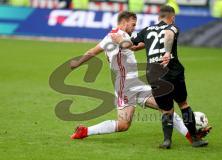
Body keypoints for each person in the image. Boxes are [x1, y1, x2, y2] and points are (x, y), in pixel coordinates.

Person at [69, 11, 194, 144]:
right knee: (124, 124)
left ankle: (191, 135)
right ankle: (85, 131)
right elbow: (131, 45)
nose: (134, 28)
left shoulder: (113, 36)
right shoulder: (118, 36)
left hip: (134, 82)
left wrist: (77, 63)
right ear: (124, 22)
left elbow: (93, 52)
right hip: (125, 84)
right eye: (133, 25)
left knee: (164, 106)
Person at [111, 6, 209, 149]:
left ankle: (166, 141)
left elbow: (131, 46)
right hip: (173, 70)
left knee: (166, 109)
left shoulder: (147, 30)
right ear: (172, 17)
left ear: (158, 17)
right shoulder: (172, 27)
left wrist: (119, 40)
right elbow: (168, 35)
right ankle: (194, 139)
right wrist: (167, 52)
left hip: (154, 73)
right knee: (183, 104)